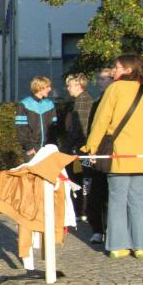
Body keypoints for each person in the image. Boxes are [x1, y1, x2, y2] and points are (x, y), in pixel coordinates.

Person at [83, 54, 143, 258]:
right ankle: (139, 245)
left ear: (128, 69)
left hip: (120, 153)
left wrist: (91, 147)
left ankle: (118, 245)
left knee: (117, 199)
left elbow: (101, 120)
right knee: (138, 199)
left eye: (117, 67)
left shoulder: (115, 89)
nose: (113, 70)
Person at [84, 68, 115, 243]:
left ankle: (111, 230)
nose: (99, 82)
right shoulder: (97, 102)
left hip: (112, 150)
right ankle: (98, 229)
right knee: (96, 191)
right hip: (98, 151)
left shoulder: (115, 100)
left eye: (103, 79)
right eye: (99, 78)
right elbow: (92, 127)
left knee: (111, 193)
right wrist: (91, 148)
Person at [62, 73, 94, 220]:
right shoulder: (85, 99)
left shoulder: (82, 101)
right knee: (84, 179)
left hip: (80, 149)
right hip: (82, 147)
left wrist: (65, 148)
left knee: (79, 179)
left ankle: (81, 210)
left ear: (78, 85)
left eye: (69, 85)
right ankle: (84, 209)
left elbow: (78, 128)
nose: (67, 88)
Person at [16, 76, 58, 161]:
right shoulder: (24, 104)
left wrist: (52, 146)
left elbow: (54, 129)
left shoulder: (50, 104)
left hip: (47, 149)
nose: (50, 89)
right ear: (40, 87)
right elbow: (21, 128)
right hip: (32, 150)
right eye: (47, 87)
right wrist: (28, 147)